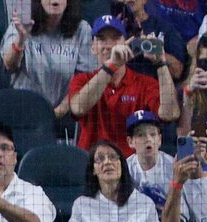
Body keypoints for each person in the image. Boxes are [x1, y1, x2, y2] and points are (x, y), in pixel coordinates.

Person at [66, 14, 162, 150]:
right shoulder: (81, 80)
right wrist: (111, 65)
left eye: (116, 38)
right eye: (102, 39)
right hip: (92, 163)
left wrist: (161, 64)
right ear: (93, 47)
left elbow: (169, 115)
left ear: (126, 43)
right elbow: (78, 108)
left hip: (132, 166)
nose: (109, 45)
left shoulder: (145, 83)